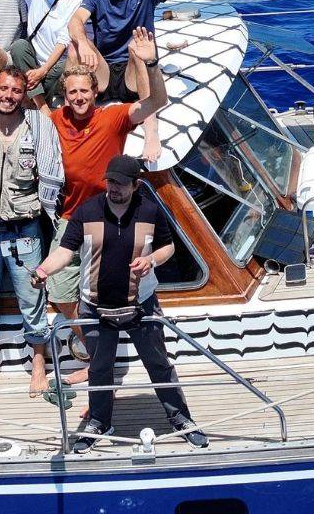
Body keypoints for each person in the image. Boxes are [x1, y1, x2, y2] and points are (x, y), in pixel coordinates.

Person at [32, 154, 208, 453]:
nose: (113, 187)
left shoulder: (150, 211)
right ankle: (99, 423)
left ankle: (180, 419)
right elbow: (65, 251)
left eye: (121, 183)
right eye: (110, 181)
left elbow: (167, 246)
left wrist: (151, 260)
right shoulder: (87, 211)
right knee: (99, 368)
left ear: (136, 185)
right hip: (94, 305)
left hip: (142, 304)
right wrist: (43, 270)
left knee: (158, 364)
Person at [45, 28, 168, 382]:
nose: (79, 97)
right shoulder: (54, 120)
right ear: (64, 96)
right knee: (60, 292)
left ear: (95, 91)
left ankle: (102, 367)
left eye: (84, 91)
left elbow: (156, 103)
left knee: (113, 294)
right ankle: (98, 357)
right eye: (72, 92)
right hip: (72, 217)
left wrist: (151, 64)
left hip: (111, 219)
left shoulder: (112, 118)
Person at [0, 65, 65, 400]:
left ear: (24, 94)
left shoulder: (38, 125)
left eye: (16, 90)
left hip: (24, 230)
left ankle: (38, 364)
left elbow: (53, 170)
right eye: (3, 89)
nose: (9, 96)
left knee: (32, 296)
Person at [67, 0, 191, 161]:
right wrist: (82, 41)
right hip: (105, 74)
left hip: (133, 75)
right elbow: (75, 21)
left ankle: (151, 131)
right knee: (73, 46)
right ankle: (69, 122)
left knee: (137, 47)